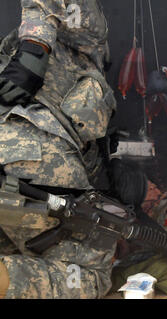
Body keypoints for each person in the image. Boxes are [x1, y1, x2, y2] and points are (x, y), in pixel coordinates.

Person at [0, 0, 117, 299]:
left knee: (20, 242)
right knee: (90, 274)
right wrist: (35, 49)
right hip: (32, 155)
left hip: (21, 164)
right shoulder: (86, 34)